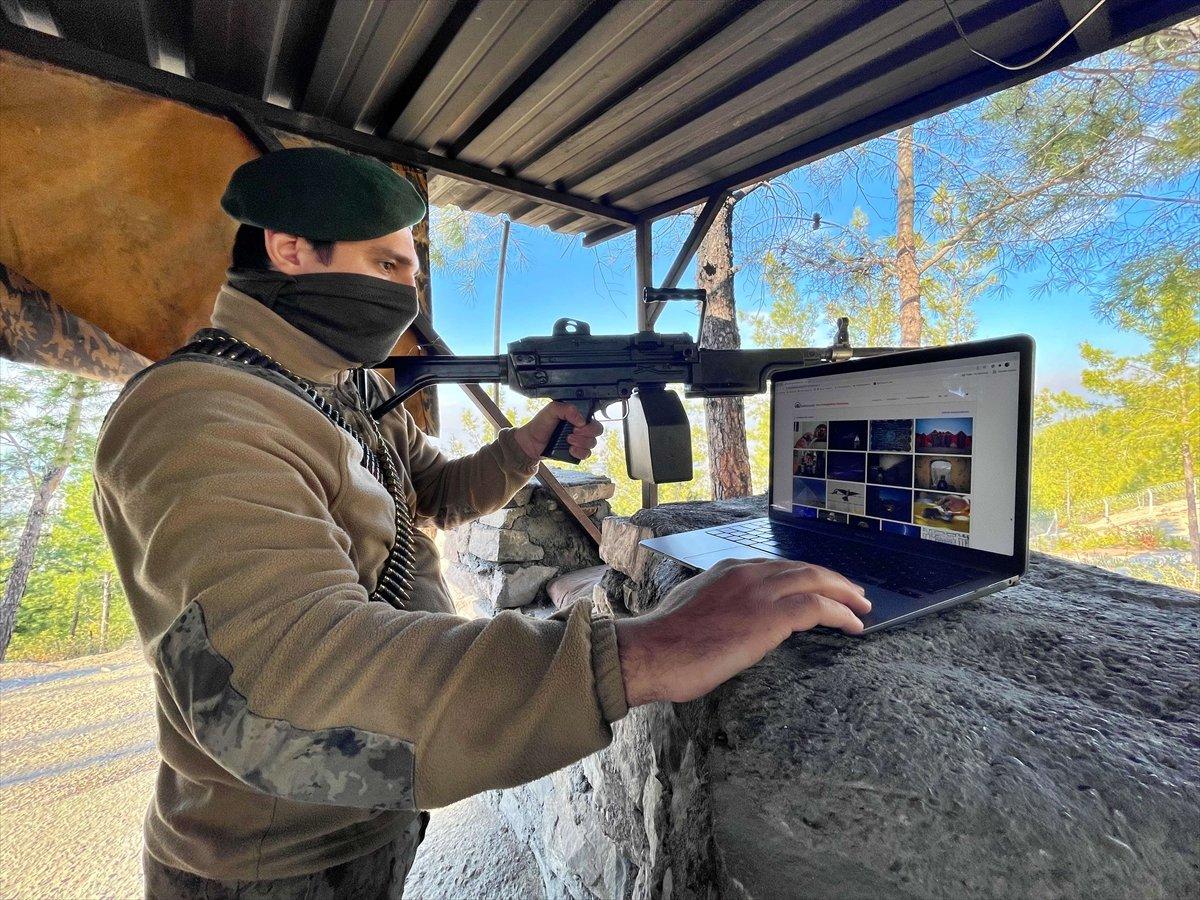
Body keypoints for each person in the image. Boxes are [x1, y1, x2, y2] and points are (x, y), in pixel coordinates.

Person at [93, 147, 869, 899]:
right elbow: (285, 680)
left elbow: (434, 494)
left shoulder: (337, 390)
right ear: (291, 249)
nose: (408, 294)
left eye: (415, 273)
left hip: (368, 812)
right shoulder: (202, 410)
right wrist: (652, 647)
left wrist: (528, 443)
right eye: (388, 267)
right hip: (265, 863)